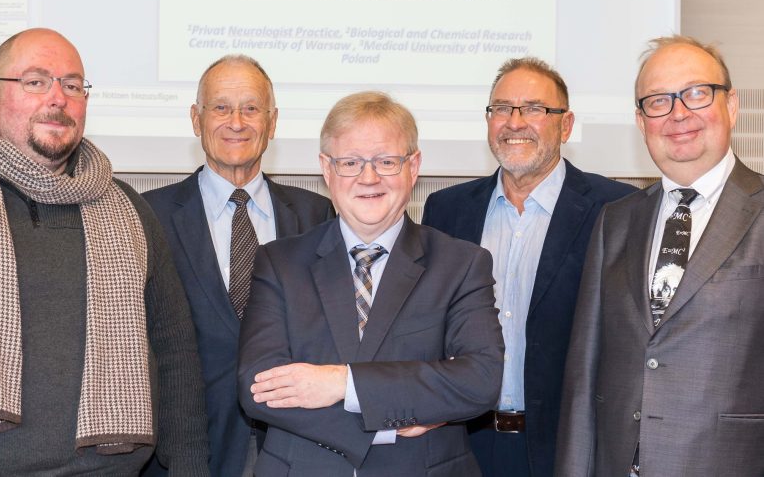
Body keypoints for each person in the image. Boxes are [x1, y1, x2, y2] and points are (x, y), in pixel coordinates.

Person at [0, 28, 208, 475]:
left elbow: (173, 351)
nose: (58, 98)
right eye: (35, 81)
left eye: (72, 85)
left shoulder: (129, 209)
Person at [237, 91, 504, 476]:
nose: (368, 177)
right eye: (350, 162)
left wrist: (342, 383)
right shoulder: (279, 263)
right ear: (326, 169)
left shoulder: (462, 264)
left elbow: (479, 379)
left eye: (386, 161)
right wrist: (392, 418)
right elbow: (258, 387)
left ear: (414, 166)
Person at [555, 35, 764, 476]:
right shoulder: (616, 219)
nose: (678, 113)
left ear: (732, 105)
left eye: (696, 93)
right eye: (658, 101)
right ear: (640, 120)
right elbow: (583, 380)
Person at [421, 57, 634, 477]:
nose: (514, 122)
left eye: (534, 108)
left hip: (566, 447)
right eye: (501, 108)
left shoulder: (617, 209)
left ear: (566, 125)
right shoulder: (446, 210)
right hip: (461, 444)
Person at [142, 55, 334, 477]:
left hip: (294, 447)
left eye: (251, 108)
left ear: (273, 121)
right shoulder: (146, 215)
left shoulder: (317, 215)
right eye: (221, 107)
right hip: (184, 451)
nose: (237, 122)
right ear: (196, 118)